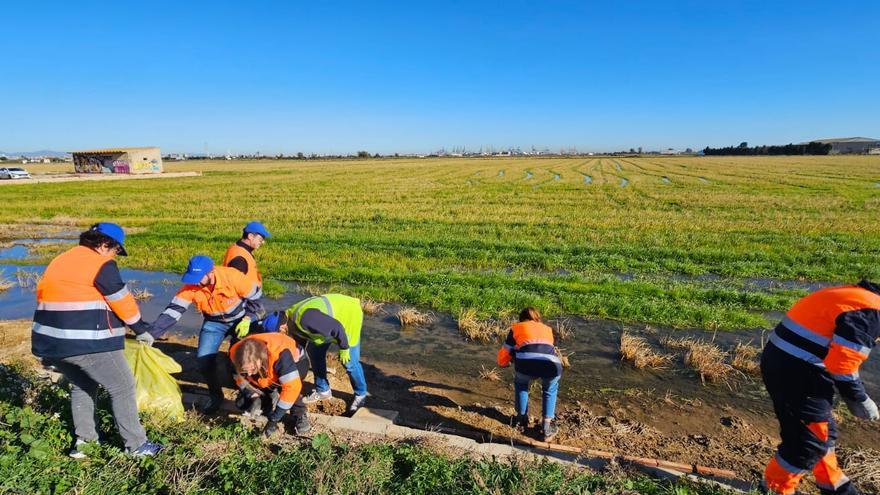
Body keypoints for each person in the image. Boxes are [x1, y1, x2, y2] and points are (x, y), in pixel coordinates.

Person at [31, 222, 164, 458]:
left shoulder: (61, 260)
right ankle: (137, 446)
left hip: (50, 343)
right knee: (122, 386)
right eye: (116, 250)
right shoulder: (100, 263)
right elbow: (121, 300)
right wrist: (140, 329)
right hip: (84, 343)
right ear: (104, 245)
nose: (116, 256)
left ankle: (85, 443)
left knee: (83, 385)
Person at [761, 280, 880, 495]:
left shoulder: (859, 296)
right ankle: (775, 488)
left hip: (788, 361)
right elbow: (842, 365)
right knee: (807, 443)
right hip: (796, 371)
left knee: (821, 431)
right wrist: (859, 400)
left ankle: (835, 486)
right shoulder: (871, 312)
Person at [152, 254, 262, 414]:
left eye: (198, 278)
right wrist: (152, 334)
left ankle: (248, 394)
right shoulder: (191, 286)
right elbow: (173, 311)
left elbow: (257, 299)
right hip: (214, 323)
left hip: (240, 321)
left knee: (241, 360)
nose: (195, 281)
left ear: (210, 273)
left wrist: (248, 318)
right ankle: (216, 396)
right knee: (204, 361)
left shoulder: (232, 276)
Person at [261, 294, 367, 412]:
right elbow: (298, 351)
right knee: (314, 352)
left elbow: (337, 328)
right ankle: (323, 390)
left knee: (350, 363)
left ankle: (361, 394)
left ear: (281, 328)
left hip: (347, 316)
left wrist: (344, 347)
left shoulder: (306, 319)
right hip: (327, 322)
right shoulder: (290, 321)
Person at [497, 307, 563, 442]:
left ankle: (521, 419)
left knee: (521, 385)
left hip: (526, 366)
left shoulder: (517, 327)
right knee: (549, 390)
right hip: (552, 365)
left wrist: (504, 363)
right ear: (537, 318)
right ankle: (546, 427)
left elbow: (505, 353)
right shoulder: (547, 329)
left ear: (521, 319)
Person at [229, 332, 310, 436]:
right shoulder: (235, 354)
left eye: (252, 369)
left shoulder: (280, 354)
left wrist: (274, 420)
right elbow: (238, 377)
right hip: (266, 366)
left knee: (284, 388)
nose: (248, 373)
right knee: (242, 402)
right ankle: (268, 400)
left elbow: (292, 388)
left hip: (297, 361)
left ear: (260, 358)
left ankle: (299, 414)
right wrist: (252, 394)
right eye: (245, 370)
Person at [223, 221, 270, 320]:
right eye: (261, 239)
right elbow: (236, 287)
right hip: (247, 302)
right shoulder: (240, 258)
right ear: (250, 236)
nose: (262, 242)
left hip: (249, 299)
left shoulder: (239, 248)